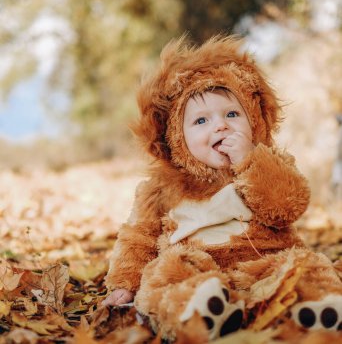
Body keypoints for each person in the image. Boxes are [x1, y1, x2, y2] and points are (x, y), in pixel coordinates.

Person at [103, 36, 342, 341]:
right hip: (197, 267)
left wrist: (249, 162)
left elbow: (287, 206)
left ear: (253, 122)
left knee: (303, 265)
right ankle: (200, 311)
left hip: (265, 265)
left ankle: (319, 309)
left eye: (232, 114)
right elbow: (138, 239)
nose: (220, 126)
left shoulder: (266, 163)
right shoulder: (160, 189)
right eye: (201, 120)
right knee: (166, 275)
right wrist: (125, 284)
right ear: (177, 137)